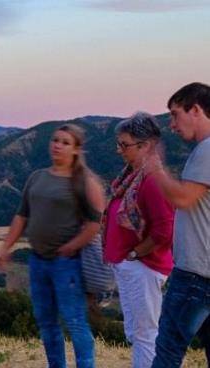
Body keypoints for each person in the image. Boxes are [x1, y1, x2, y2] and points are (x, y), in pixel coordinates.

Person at [0, 123, 105, 368]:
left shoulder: (85, 183)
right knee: (46, 322)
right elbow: (21, 216)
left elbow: (94, 225)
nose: (57, 145)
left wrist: (71, 246)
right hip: (37, 261)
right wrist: (5, 247)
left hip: (67, 264)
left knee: (75, 321)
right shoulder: (37, 177)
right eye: (55, 140)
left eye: (65, 142)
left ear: (76, 150)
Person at [103, 112, 174, 367]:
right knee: (136, 333)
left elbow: (165, 231)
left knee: (145, 335)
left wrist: (134, 255)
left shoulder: (153, 180)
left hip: (143, 267)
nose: (119, 150)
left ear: (145, 145)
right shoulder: (132, 177)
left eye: (124, 144)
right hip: (131, 266)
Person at [148, 82, 210, 368]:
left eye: (175, 114)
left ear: (195, 109)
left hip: (195, 276)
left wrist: (156, 169)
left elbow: (184, 198)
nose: (171, 124)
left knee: (167, 354)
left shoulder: (208, 149)